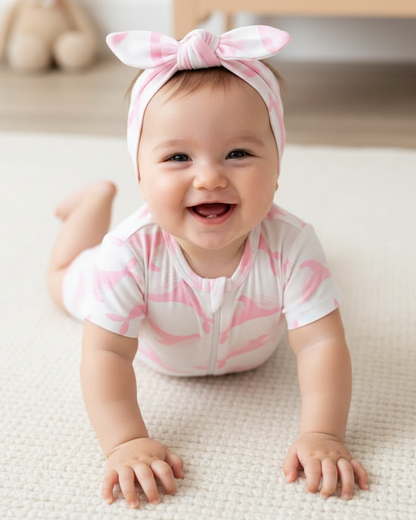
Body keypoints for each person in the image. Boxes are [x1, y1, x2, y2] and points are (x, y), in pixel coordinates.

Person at [47, 26, 369, 509]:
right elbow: (106, 354)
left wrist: (323, 433)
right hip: (124, 291)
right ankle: (92, 202)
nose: (209, 176)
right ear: (141, 173)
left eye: (238, 153)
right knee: (60, 280)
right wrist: (126, 442)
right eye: (177, 156)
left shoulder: (293, 244)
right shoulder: (129, 255)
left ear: (278, 164)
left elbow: (321, 341)